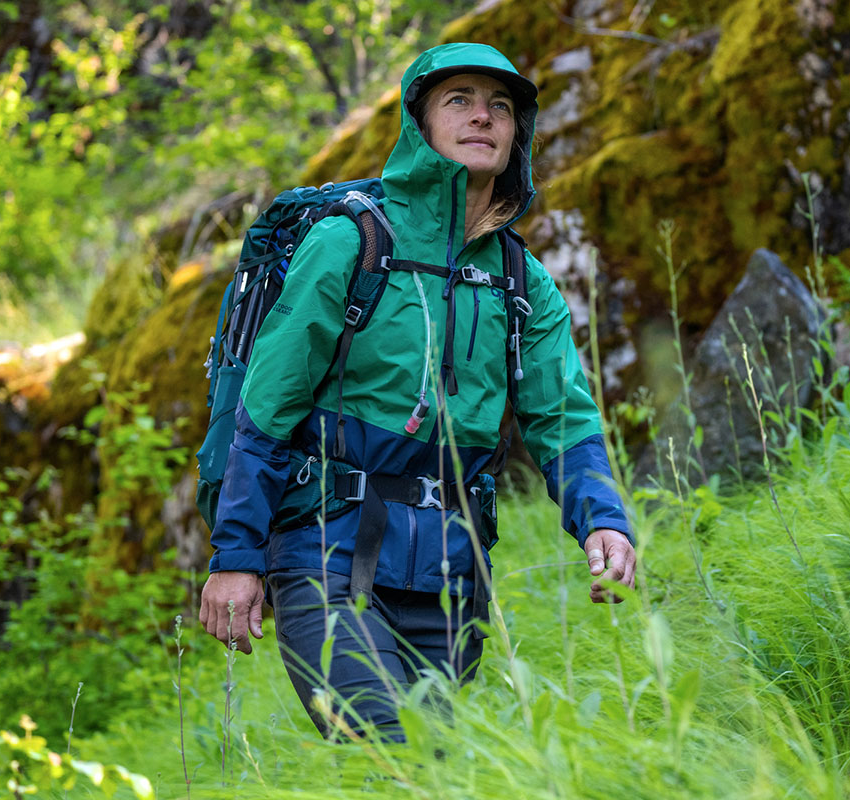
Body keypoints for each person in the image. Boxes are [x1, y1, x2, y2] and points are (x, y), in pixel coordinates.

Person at [198, 42, 637, 741]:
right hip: (327, 552)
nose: (482, 117)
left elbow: (565, 421)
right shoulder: (350, 243)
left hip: (450, 573)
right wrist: (237, 555)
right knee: (388, 744)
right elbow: (267, 410)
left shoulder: (522, 282)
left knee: (440, 766)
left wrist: (604, 519)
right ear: (419, 122)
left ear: (517, 131)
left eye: (499, 106)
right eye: (458, 100)